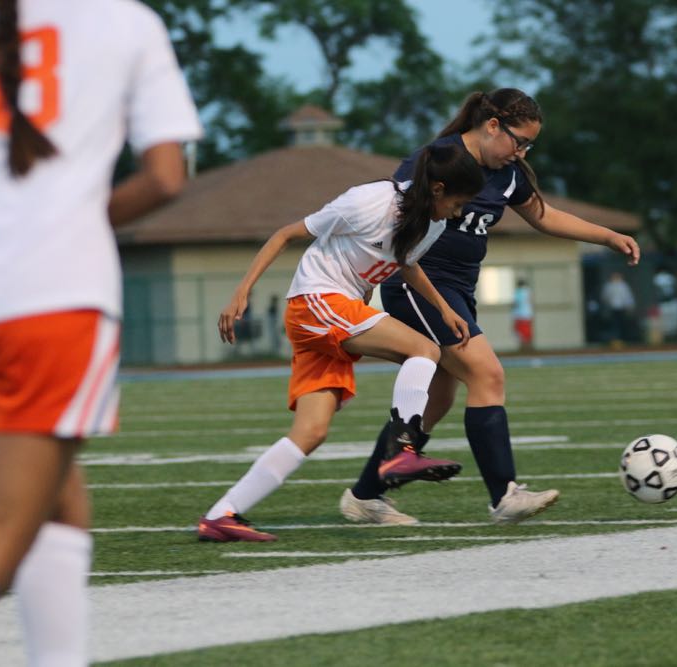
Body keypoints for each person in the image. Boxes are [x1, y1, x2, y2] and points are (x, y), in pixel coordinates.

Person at [0, 0, 201, 661]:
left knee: (58, 495)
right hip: (50, 298)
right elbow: (168, 175)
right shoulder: (125, 22)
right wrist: (79, 221)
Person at [340, 88, 640, 526]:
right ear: (492, 126)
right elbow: (391, 228)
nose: (521, 152)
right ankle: (504, 494)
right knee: (488, 373)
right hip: (420, 288)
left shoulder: (508, 173)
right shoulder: (435, 161)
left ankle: (365, 495)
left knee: (434, 402)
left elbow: (544, 215)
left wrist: (608, 236)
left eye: (529, 146)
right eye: (518, 141)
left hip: (459, 290)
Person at [196, 143, 485, 541]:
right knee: (425, 350)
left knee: (311, 432)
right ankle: (402, 451)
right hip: (316, 302)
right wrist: (241, 292)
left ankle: (221, 515)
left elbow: (406, 263)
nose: (458, 212)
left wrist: (442, 307)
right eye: (458, 202)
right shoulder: (369, 201)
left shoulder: (430, 224)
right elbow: (285, 234)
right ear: (437, 188)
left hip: (329, 318)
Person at [600, 271, 635, 345]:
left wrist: (629, 306)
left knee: (622, 323)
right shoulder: (609, 286)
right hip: (612, 308)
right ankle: (615, 339)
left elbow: (627, 297)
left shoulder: (623, 285)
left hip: (622, 308)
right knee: (614, 324)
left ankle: (623, 339)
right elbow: (605, 297)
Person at [511, 278, 534, 351]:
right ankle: (527, 347)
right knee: (527, 332)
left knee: (521, 331)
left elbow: (516, 303)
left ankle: (523, 348)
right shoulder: (528, 291)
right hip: (528, 315)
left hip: (520, 315)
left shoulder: (518, 292)